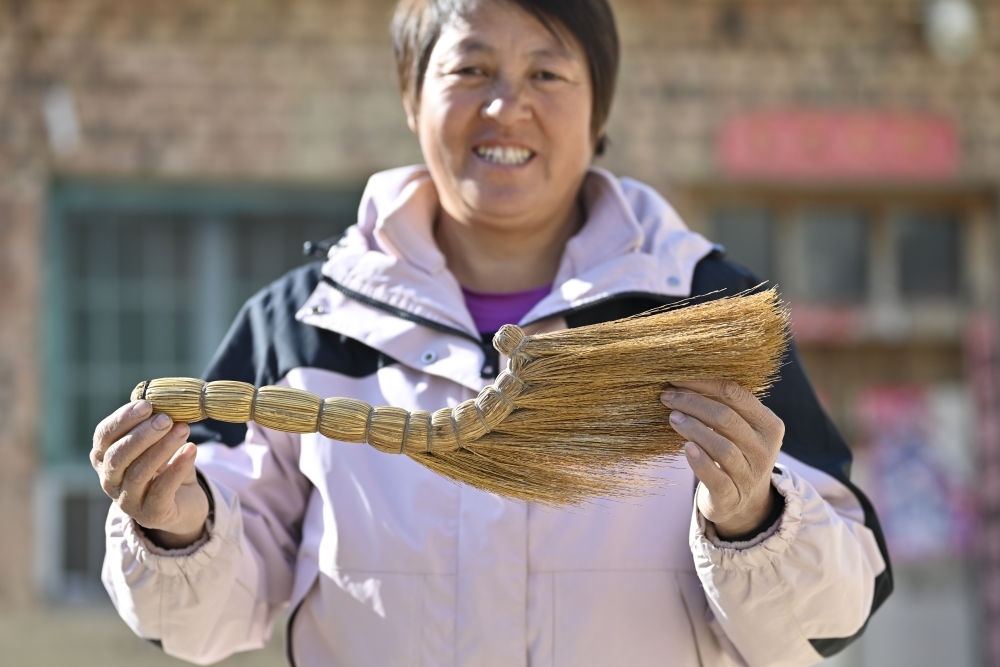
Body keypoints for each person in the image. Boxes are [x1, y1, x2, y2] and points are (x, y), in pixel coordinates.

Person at [90, 0, 893, 665]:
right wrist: (176, 529)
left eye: (547, 73)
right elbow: (203, 623)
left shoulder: (702, 311)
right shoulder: (302, 325)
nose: (507, 106)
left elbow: (831, 620)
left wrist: (755, 517)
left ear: (599, 108)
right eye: (470, 70)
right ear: (412, 98)